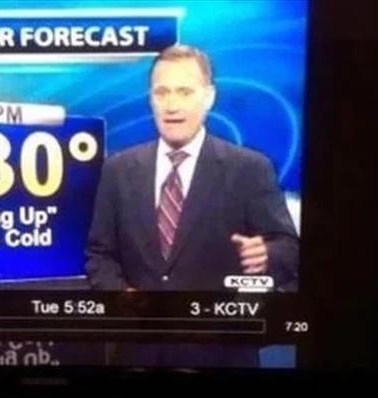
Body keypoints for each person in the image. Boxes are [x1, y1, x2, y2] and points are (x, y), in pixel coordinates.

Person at [85, 44, 299, 292]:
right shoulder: (118, 170)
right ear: (151, 98)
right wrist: (121, 296)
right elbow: (100, 255)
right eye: (161, 92)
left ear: (209, 97)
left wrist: (266, 255)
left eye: (184, 92)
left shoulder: (250, 169)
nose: (171, 105)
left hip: (215, 315)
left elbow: (289, 250)